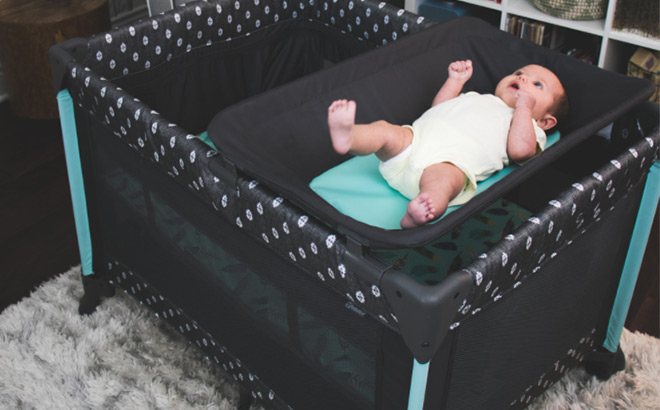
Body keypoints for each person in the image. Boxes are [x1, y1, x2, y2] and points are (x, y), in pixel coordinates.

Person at [327, 60, 568, 228]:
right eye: (519, 72)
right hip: (414, 141)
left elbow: (520, 151)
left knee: (443, 182)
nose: (523, 78)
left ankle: (420, 211)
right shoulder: (477, 97)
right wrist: (455, 82)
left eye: (537, 85)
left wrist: (524, 108)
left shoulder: (530, 127)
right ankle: (350, 137)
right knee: (385, 131)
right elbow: (439, 109)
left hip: (449, 163)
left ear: (546, 122)